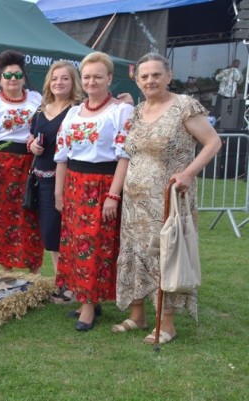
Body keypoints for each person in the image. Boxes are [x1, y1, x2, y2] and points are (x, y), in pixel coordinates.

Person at [114, 53, 221, 344]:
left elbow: (213, 142)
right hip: (135, 201)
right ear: (137, 80)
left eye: (156, 75)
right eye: (144, 76)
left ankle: (167, 324)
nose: (150, 80)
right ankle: (138, 315)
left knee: (165, 255)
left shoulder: (184, 106)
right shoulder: (136, 111)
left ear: (169, 76)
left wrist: (188, 173)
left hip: (169, 198)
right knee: (136, 253)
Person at [53, 51, 133, 332]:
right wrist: (58, 192)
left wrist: (113, 194)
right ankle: (87, 298)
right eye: (87, 76)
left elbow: (124, 155)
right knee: (75, 244)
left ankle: (89, 306)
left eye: (98, 76)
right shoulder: (74, 112)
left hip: (101, 184)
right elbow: (62, 154)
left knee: (94, 245)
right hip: (74, 182)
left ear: (109, 78)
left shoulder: (121, 111)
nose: (91, 81)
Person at [0, 49, 43, 274]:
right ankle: (6, 270)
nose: (13, 80)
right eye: (8, 75)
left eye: (17, 75)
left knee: (31, 216)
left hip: (32, 166)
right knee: (2, 218)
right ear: (0, 79)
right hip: (2, 167)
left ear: (24, 77)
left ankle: (34, 272)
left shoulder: (36, 98)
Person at [28, 61, 83, 302]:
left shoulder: (79, 110)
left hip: (67, 180)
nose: (59, 83)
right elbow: (31, 137)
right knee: (50, 235)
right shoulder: (41, 110)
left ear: (74, 83)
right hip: (42, 180)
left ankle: (70, 286)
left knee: (65, 234)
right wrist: (32, 146)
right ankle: (62, 282)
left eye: (65, 78)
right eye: (55, 78)